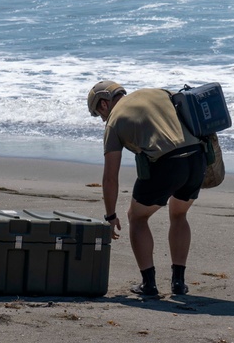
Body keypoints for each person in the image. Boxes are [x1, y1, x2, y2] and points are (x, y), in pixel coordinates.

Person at [87, 80, 207, 296]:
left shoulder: (114, 121)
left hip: (168, 164)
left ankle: (149, 284)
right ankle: (178, 282)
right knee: (179, 214)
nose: (102, 118)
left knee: (137, 217)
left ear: (104, 104)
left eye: (99, 113)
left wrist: (110, 215)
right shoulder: (158, 93)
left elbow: (110, 177)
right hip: (197, 159)